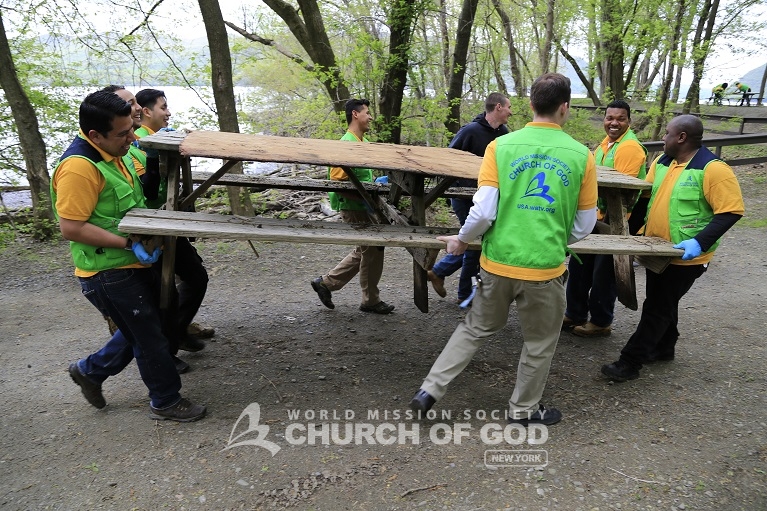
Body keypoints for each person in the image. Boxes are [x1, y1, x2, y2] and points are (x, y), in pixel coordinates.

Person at [409, 73, 598, 425]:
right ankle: (523, 410)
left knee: (474, 328)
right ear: (565, 107)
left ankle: (430, 390)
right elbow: (584, 226)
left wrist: (461, 241)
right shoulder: (582, 156)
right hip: (545, 269)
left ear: (530, 105)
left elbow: (483, 211)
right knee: (539, 344)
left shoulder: (500, 147)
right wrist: (554, 240)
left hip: (497, 264)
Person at [54, 90, 206, 421]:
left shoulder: (114, 151)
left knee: (148, 324)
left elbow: (139, 197)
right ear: (95, 135)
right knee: (149, 335)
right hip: (109, 270)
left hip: (134, 262)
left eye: (131, 129)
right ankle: (165, 399)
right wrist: (126, 245)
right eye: (123, 133)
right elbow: (71, 227)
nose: (131, 137)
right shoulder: (79, 168)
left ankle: (90, 371)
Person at [601, 115, 744, 382]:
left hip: (687, 256)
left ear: (682, 138)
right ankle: (664, 348)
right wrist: (630, 233)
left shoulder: (712, 169)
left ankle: (629, 362)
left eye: (667, 133)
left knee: (657, 307)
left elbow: (731, 211)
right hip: (657, 249)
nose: (663, 138)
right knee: (662, 302)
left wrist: (699, 243)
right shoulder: (663, 162)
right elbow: (645, 198)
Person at [135, 88, 214, 355]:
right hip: (151, 224)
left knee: (194, 277)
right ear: (146, 111)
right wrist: (159, 154)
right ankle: (166, 349)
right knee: (165, 287)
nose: (168, 113)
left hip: (168, 217)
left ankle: (178, 332)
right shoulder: (136, 144)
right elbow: (149, 188)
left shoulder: (158, 137)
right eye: (163, 107)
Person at [563, 100, 647, 337]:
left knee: (603, 272)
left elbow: (622, 190)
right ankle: (575, 312)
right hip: (595, 217)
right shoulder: (604, 145)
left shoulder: (629, 147)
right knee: (581, 265)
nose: (614, 123)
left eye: (620, 119)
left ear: (629, 121)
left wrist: (607, 227)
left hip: (616, 221)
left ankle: (601, 321)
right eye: (610, 118)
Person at [310, 99, 394, 315]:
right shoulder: (347, 143)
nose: (371, 117)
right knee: (372, 249)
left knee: (366, 249)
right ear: (355, 115)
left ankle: (326, 284)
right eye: (367, 112)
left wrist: (376, 184)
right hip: (354, 206)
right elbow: (337, 180)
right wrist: (365, 195)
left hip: (364, 205)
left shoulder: (361, 142)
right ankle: (370, 300)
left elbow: (360, 175)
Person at [426, 93, 512, 305]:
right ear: (498, 107)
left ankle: (441, 272)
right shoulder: (470, 131)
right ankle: (464, 293)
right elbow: (448, 160)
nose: (511, 111)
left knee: (477, 242)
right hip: (463, 197)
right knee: (474, 242)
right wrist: (450, 192)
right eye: (509, 107)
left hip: (488, 198)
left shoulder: (504, 134)